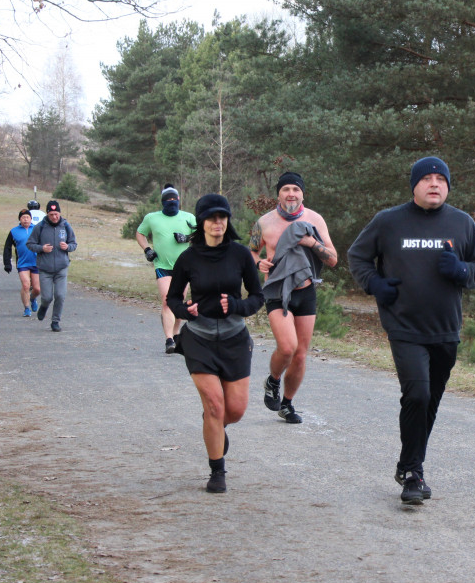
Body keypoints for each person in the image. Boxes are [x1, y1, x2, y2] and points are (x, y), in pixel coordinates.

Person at [348, 156, 475, 504]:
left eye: (440, 179)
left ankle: (408, 463)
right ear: (414, 185)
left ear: (447, 186)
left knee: (430, 402)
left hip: (445, 329)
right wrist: (375, 285)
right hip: (404, 325)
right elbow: (357, 257)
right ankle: (413, 474)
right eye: (426, 178)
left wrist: (461, 271)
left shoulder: (462, 223)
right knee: (417, 395)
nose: (433, 184)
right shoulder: (388, 221)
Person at [167, 194, 265, 493]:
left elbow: (257, 297)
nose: (217, 222)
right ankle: (217, 470)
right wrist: (185, 311)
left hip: (235, 339)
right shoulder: (188, 258)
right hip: (199, 339)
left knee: (233, 411)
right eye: (211, 218)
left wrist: (236, 305)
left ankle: (216, 425)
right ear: (202, 222)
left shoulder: (239, 255)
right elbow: (172, 298)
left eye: (222, 217)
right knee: (214, 405)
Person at [248, 171, 337, 424]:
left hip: (305, 290)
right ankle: (272, 380)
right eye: (286, 189)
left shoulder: (315, 220)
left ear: (302, 194)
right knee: (287, 347)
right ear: (278, 193)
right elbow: (252, 251)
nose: (291, 194)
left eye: (296, 190)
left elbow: (332, 259)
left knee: (300, 354)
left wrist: (311, 243)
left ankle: (286, 404)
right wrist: (259, 263)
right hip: (277, 291)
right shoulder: (264, 222)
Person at [135, 184, 196, 353]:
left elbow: (202, 234)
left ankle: (176, 334)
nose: (172, 202)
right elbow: (140, 233)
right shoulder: (151, 218)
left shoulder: (188, 217)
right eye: (168, 200)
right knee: (167, 300)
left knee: (178, 302)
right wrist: (147, 249)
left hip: (184, 267)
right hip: (162, 265)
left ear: (179, 201)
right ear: (162, 202)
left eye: (174, 199)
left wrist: (187, 237)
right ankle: (169, 339)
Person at [26, 200, 77, 332]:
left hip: (61, 267)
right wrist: (41, 248)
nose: (54, 217)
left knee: (60, 295)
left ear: (59, 213)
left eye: (56, 214)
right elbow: (30, 244)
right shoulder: (40, 227)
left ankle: (55, 321)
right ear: (47, 214)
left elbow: (74, 244)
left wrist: (68, 247)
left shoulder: (66, 226)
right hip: (45, 269)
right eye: (51, 214)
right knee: (47, 297)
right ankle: (43, 306)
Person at [3, 209, 41, 315]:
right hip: (23, 263)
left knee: (37, 289)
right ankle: (27, 308)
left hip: (36, 262)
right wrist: (7, 263)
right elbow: (7, 247)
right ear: (19, 219)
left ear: (31, 219)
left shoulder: (37, 229)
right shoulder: (14, 231)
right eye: (23, 217)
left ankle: (33, 298)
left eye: (27, 217)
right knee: (26, 285)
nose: (25, 219)